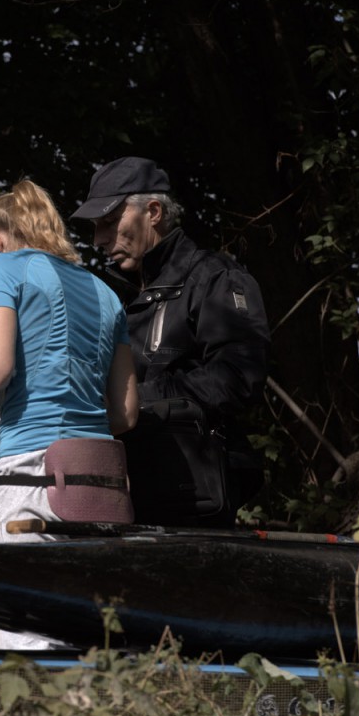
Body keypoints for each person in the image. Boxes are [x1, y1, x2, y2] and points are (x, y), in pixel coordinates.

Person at [0, 179, 138, 651]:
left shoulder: (3, 267)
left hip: (34, 474)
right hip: (102, 482)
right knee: (90, 640)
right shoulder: (106, 293)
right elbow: (126, 413)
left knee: (24, 645)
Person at [73, 157, 270, 526]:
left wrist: (136, 399)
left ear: (153, 212)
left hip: (192, 496)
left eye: (109, 222)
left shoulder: (215, 277)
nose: (98, 239)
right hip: (133, 490)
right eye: (96, 227)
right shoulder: (120, 297)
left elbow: (238, 378)